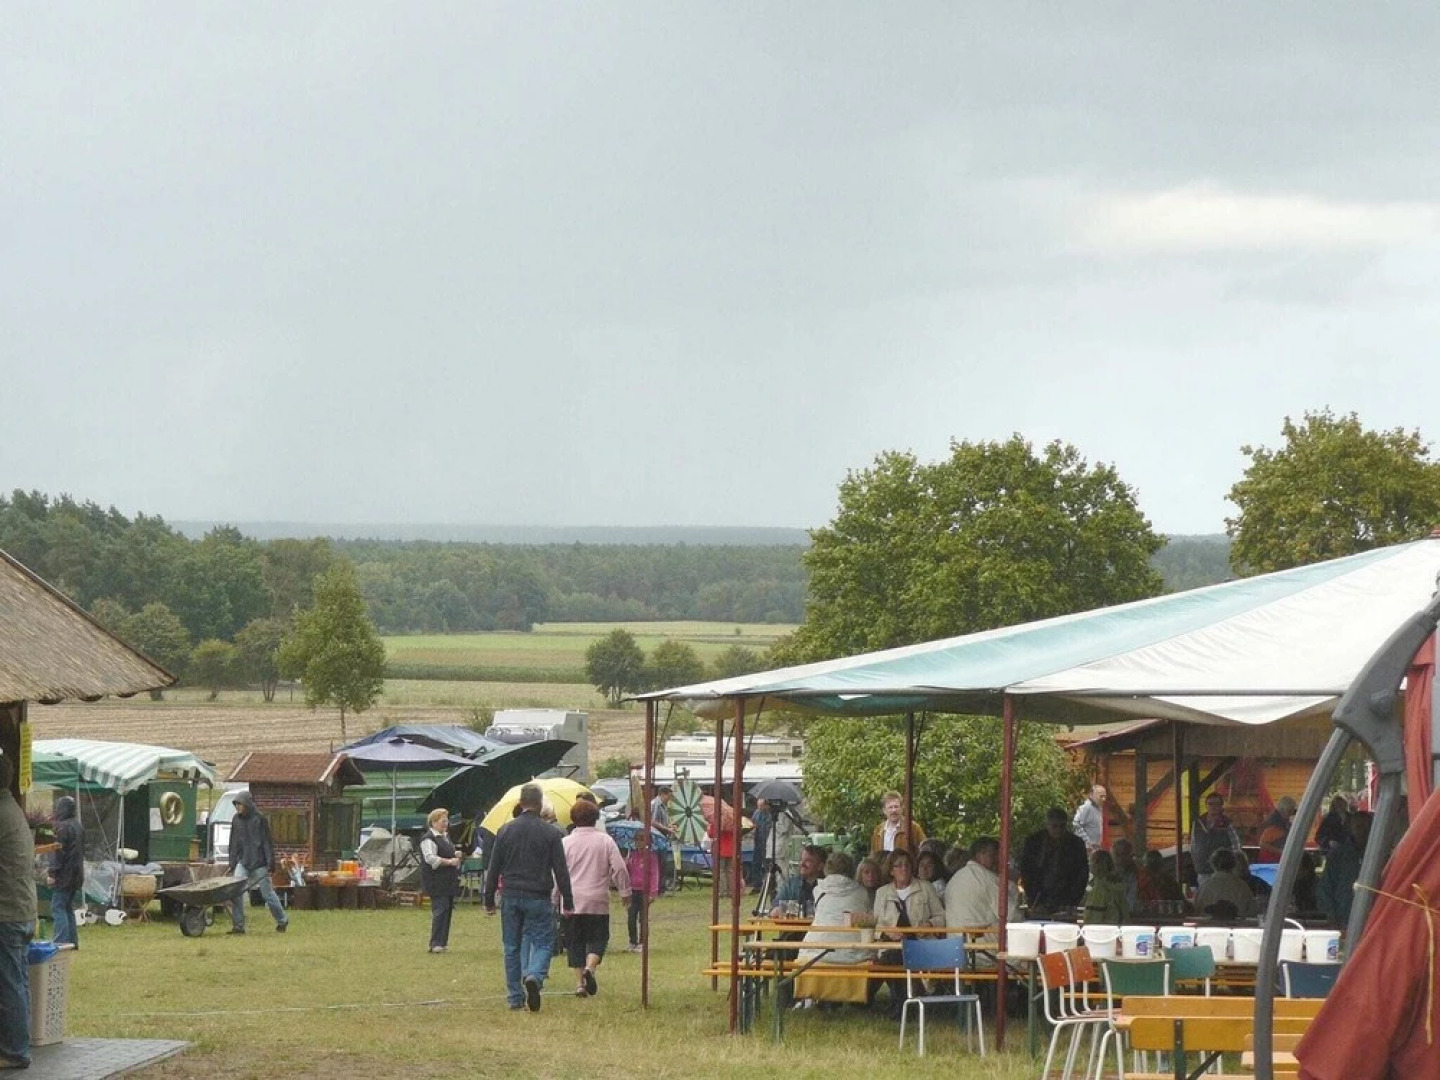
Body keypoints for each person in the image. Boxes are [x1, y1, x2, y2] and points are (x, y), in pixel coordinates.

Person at [484, 783, 575, 1012]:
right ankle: (535, 975)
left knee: (512, 946)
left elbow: (493, 868)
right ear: (540, 802)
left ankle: (515, 997)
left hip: (511, 894)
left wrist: (488, 900)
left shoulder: (505, 830)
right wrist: (568, 901)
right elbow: (561, 871)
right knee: (544, 942)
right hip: (538, 895)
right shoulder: (551, 833)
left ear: (520, 803)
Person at [560, 799, 630, 998]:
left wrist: (555, 897)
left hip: (571, 900)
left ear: (573, 819)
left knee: (575, 943)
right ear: (595, 818)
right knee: (598, 939)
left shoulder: (565, 843)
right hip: (597, 899)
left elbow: (558, 874)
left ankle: (580, 983)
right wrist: (625, 892)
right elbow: (620, 868)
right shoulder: (605, 841)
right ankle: (591, 968)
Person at [794, 851, 873, 1007]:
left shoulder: (819, 890)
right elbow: (866, 922)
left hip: (817, 952)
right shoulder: (862, 893)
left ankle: (811, 998)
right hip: (852, 955)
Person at [873, 849, 944, 1017]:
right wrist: (888, 932)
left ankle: (901, 1005)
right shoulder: (882, 892)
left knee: (895, 958)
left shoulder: (925, 888)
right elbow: (875, 925)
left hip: (922, 943)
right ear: (891, 870)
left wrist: (930, 924)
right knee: (892, 957)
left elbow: (941, 916)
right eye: (898, 866)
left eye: (906, 865)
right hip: (892, 945)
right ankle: (905, 1003)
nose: (903, 869)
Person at [0, 755, 35, 1071]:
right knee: (17, 982)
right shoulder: (12, 810)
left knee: (10, 984)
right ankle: (17, 1047)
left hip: (7, 915)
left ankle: (14, 1051)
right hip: (21, 911)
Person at [226, 791, 288, 934]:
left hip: (260, 863)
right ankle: (238, 926)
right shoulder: (236, 820)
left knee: (267, 894)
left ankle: (282, 920)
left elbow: (267, 842)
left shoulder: (260, 819)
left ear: (247, 804)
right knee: (236, 893)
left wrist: (271, 862)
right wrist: (232, 862)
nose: (237, 807)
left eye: (239, 804)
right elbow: (234, 843)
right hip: (243, 862)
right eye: (236, 805)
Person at [1018, 807, 1089, 916]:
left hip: (1066, 897)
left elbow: (1082, 874)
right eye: (1054, 826)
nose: (1058, 830)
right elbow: (1026, 871)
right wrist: (1032, 899)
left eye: (1062, 827)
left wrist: (1073, 901)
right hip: (1039, 895)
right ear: (1047, 824)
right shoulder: (1034, 842)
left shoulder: (1076, 844)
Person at [945, 836, 1019, 938]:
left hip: (954, 945)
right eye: (993, 855)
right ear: (980, 854)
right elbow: (1013, 915)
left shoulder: (955, 878)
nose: (997, 860)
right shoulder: (986, 878)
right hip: (983, 948)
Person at [419, 808, 463, 953]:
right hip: (436, 881)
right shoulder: (428, 839)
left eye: (447, 820)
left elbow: (446, 851)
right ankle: (435, 943)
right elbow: (430, 858)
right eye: (443, 820)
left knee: (447, 910)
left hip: (447, 881)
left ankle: (442, 942)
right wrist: (450, 861)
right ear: (434, 822)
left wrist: (455, 853)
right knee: (440, 910)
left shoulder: (445, 836)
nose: (446, 823)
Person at [1318, 811, 1372, 928]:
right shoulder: (1338, 856)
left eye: (1367, 827)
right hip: (1343, 919)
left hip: (1372, 920)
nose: (1363, 831)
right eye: (1359, 827)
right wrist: (1331, 917)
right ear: (1351, 828)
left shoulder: (1379, 856)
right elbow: (1325, 888)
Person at [47, 794, 84, 948]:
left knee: (58, 907)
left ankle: (61, 942)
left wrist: (52, 873)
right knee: (68, 907)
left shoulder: (63, 828)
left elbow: (59, 854)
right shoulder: (78, 826)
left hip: (64, 874)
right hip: (77, 873)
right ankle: (72, 942)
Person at [1191, 792, 1241, 889]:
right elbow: (1193, 845)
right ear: (1206, 805)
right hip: (1203, 871)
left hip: (1222, 871)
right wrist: (1196, 862)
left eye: (1216, 804)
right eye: (1210, 803)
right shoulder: (1197, 823)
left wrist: (1233, 865)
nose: (1213, 806)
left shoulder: (1227, 824)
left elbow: (1236, 846)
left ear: (1221, 806)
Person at [1193, 847, 1255, 920]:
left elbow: (1197, 910)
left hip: (1208, 927)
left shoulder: (1204, 887)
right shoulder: (1242, 887)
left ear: (1212, 864)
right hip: (1236, 926)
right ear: (1234, 864)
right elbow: (1251, 912)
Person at [770, 844, 825, 919]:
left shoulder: (829, 886)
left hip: (820, 929)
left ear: (820, 866)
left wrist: (791, 908)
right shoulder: (791, 884)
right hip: (792, 929)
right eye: (801, 860)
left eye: (808, 861)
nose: (802, 864)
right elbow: (776, 906)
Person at [624, 841, 660, 952]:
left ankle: (642, 942)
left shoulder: (651, 857)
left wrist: (653, 892)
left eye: (642, 840)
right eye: (637, 840)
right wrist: (625, 863)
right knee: (631, 917)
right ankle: (632, 941)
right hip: (632, 890)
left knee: (643, 918)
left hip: (645, 892)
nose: (639, 843)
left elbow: (655, 873)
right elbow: (627, 872)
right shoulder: (632, 855)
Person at [870, 790, 926, 855]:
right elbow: (873, 856)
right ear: (884, 810)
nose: (894, 810)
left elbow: (924, 853)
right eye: (890, 807)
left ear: (902, 808)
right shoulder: (878, 831)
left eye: (896, 806)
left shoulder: (913, 828)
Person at [1082, 850, 1129, 926]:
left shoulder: (1100, 888)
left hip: (1102, 932)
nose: (1089, 865)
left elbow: (1093, 915)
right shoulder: (1117, 885)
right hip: (1119, 929)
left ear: (1096, 864)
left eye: (1091, 861)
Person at [1136, 849, 1186, 914]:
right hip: (1149, 917)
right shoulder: (1138, 880)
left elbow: (1181, 902)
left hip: (1164, 917)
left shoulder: (1168, 881)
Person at [1255, 796, 1297, 863]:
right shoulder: (1273, 825)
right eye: (1289, 812)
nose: (1291, 815)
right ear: (1282, 810)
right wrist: (1280, 851)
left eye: (1293, 812)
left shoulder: (1284, 824)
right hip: (1270, 861)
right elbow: (1262, 844)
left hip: (1277, 860)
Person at [1110, 837, 1140, 914]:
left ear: (1131, 855)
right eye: (1117, 854)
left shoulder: (1138, 876)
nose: (1120, 858)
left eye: (1124, 854)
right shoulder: (1106, 876)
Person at [1072, 784, 1106, 853]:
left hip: (1095, 847)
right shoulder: (1086, 807)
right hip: (1086, 848)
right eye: (1101, 796)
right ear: (1091, 795)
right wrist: (1087, 842)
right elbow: (1075, 824)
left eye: (1105, 796)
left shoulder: (1098, 808)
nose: (1104, 799)